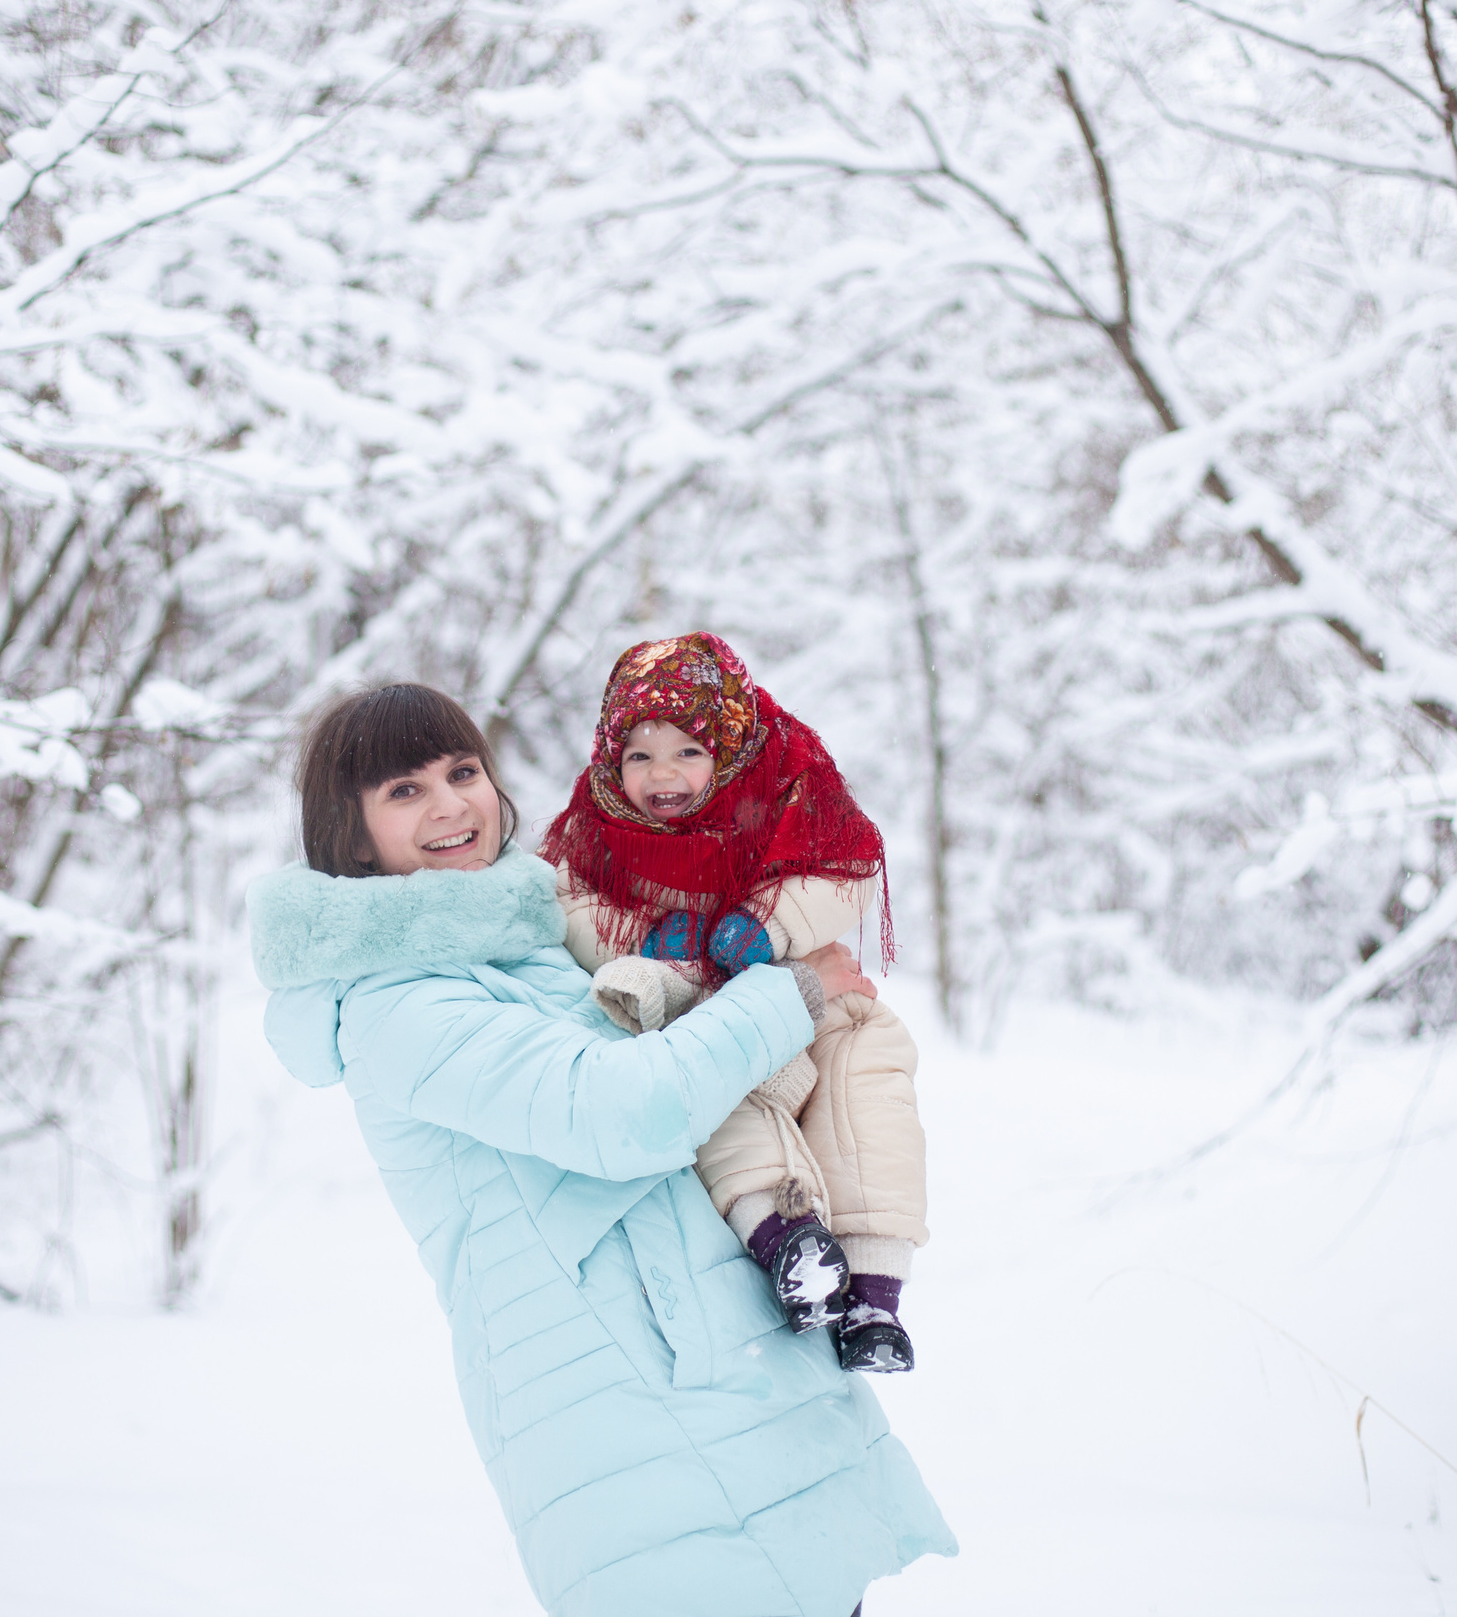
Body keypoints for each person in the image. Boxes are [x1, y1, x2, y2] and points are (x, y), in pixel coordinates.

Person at [247, 682, 953, 1617]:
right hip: (633, 1430)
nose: (453, 804)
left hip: (729, 1391)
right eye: (405, 791)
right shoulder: (395, 1005)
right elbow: (620, 1112)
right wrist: (788, 994)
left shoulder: (535, 946)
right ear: (350, 831)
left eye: (463, 771)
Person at [539, 634, 928, 1373]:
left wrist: (770, 925)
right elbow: (569, 900)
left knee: (869, 1071)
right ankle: (788, 1237)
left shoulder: (786, 793)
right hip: (700, 1005)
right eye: (640, 757)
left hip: (810, 996)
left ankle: (875, 1286)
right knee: (717, 1094)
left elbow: (841, 874)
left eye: (687, 751)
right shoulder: (598, 826)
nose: (663, 776)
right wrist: (648, 936)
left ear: (728, 743)